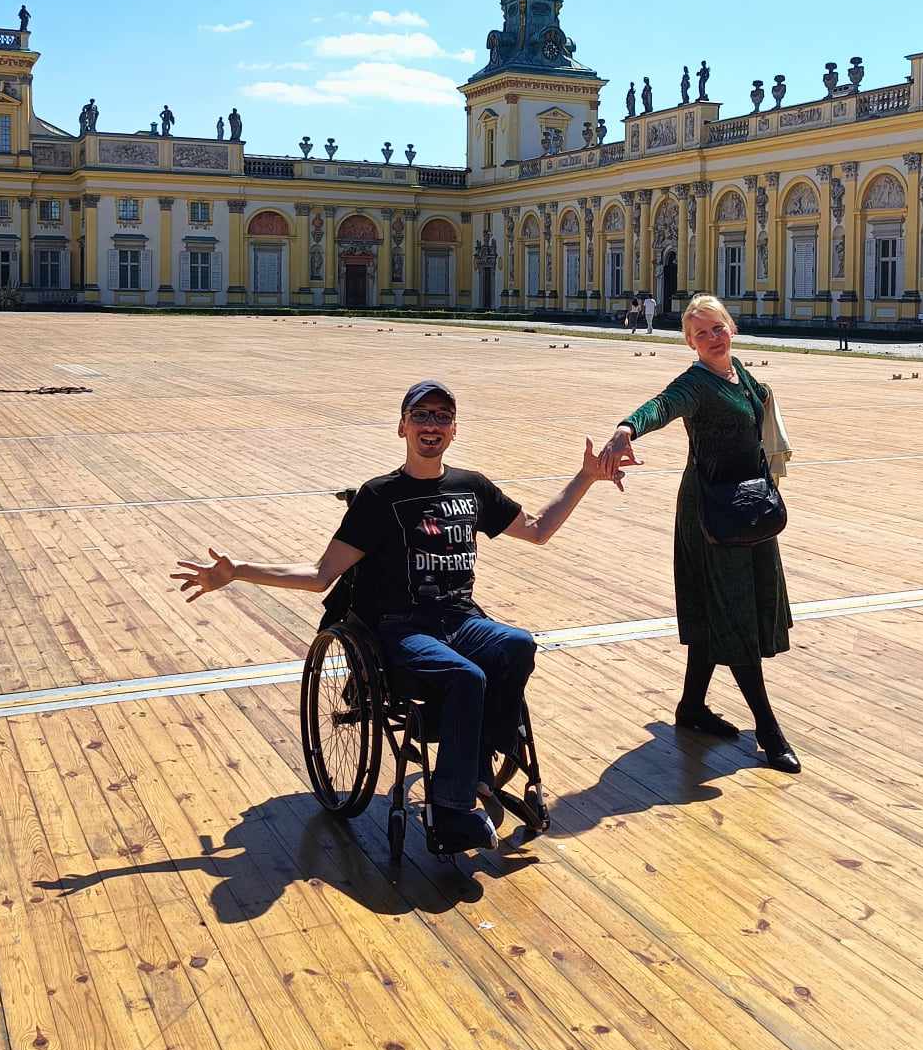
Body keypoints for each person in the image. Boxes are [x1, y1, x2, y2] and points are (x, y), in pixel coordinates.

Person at [173, 379, 623, 854]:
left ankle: (476, 771)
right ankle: (450, 810)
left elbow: (537, 530)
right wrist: (238, 571)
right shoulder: (378, 496)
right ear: (402, 426)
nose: (432, 424)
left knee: (518, 644)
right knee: (465, 677)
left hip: (461, 620)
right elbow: (321, 573)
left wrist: (586, 477)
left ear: (454, 429)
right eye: (422, 415)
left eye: (442, 416)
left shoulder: (471, 488)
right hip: (401, 629)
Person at [598, 295, 799, 773]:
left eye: (718, 328)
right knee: (733, 611)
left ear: (731, 328)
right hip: (712, 513)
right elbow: (664, 405)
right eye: (701, 333)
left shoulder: (742, 374)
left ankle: (691, 708)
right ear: (689, 342)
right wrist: (627, 428)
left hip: (748, 506)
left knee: (726, 607)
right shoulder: (695, 383)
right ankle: (769, 730)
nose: (713, 338)